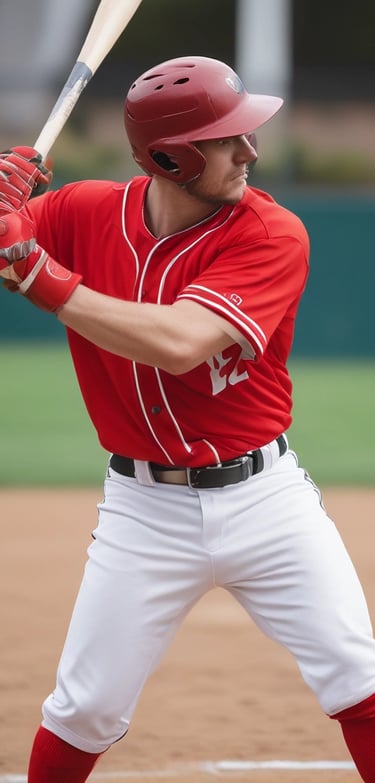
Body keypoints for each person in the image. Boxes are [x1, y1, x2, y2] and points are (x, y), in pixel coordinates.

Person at [0, 55, 375, 783]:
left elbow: (180, 343)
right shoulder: (80, 212)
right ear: (171, 157)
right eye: (227, 139)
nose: (249, 152)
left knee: (357, 675)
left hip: (266, 501)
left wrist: (38, 275)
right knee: (83, 709)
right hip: (144, 511)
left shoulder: (271, 232)